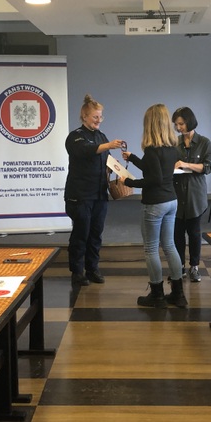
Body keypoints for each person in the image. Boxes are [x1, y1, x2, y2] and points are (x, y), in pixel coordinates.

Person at [123, 104, 186, 308]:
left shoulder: (151, 150)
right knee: (169, 246)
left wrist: (129, 182)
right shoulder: (172, 148)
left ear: (149, 124)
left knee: (151, 249)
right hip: (171, 202)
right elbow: (154, 169)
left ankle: (157, 295)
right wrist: (132, 158)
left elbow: (154, 179)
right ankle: (178, 294)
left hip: (155, 204)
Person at [64, 94, 126, 287]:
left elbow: (106, 160)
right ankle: (77, 271)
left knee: (96, 233)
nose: (99, 120)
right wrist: (109, 145)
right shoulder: (75, 136)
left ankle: (92, 269)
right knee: (81, 234)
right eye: (95, 117)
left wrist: (120, 171)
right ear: (84, 116)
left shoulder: (101, 136)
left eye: (101, 117)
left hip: (99, 194)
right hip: (80, 195)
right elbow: (86, 150)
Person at [172, 107, 211, 283]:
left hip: (195, 196)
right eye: (176, 124)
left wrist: (187, 164)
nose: (178, 127)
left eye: (181, 124)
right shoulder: (174, 143)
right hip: (176, 194)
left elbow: (208, 167)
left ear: (190, 122)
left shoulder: (204, 142)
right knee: (177, 233)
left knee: (195, 233)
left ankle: (194, 267)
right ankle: (179, 266)